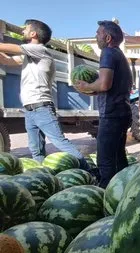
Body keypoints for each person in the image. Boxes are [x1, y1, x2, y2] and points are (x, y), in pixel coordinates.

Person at [0, 19, 90, 171]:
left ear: (34, 33)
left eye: (26, 29)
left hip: (42, 108)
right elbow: (6, 59)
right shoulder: (30, 57)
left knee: (59, 142)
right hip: (29, 110)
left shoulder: (40, 50)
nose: (22, 31)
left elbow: (10, 48)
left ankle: (89, 171)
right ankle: (44, 175)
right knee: (36, 149)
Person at [75, 20, 132, 188]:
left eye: (98, 33)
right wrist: (92, 89)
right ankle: (123, 192)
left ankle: (106, 198)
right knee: (118, 159)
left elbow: (104, 84)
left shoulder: (107, 53)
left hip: (112, 115)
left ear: (107, 38)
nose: (95, 36)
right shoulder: (119, 55)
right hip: (122, 113)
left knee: (106, 163)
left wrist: (86, 86)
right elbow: (108, 87)